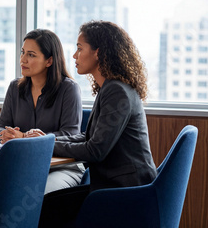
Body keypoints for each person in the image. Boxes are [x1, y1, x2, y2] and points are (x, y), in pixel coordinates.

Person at [39, 20, 157, 227]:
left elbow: (95, 150)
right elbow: (89, 137)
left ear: (98, 52)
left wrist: (45, 145)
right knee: (49, 204)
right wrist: (48, 139)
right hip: (115, 185)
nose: (74, 56)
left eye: (79, 48)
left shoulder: (116, 91)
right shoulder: (110, 88)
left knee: (49, 208)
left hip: (127, 191)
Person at [0, 29, 84, 194]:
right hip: (23, 164)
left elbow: (71, 135)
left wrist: (25, 137)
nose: (23, 60)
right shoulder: (15, 88)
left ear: (49, 61)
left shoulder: (69, 89)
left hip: (61, 168)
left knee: (38, 194)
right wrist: (5, 135)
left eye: (31, 55)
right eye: (22, 53)